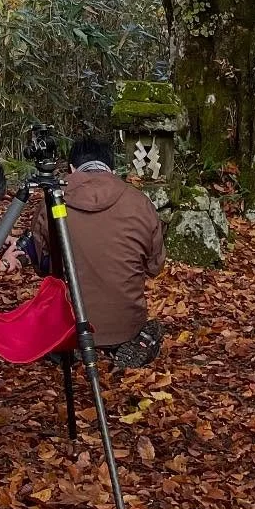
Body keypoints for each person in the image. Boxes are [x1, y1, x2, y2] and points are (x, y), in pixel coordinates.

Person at [32, 136, 166, 369]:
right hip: (125, 325)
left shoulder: (51, 202)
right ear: (111, 169)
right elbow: (155, 267)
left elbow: (43, 265)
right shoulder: (140, 202)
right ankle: (132, 343)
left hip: (70, 325)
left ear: (72, 168)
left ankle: (66, 347)